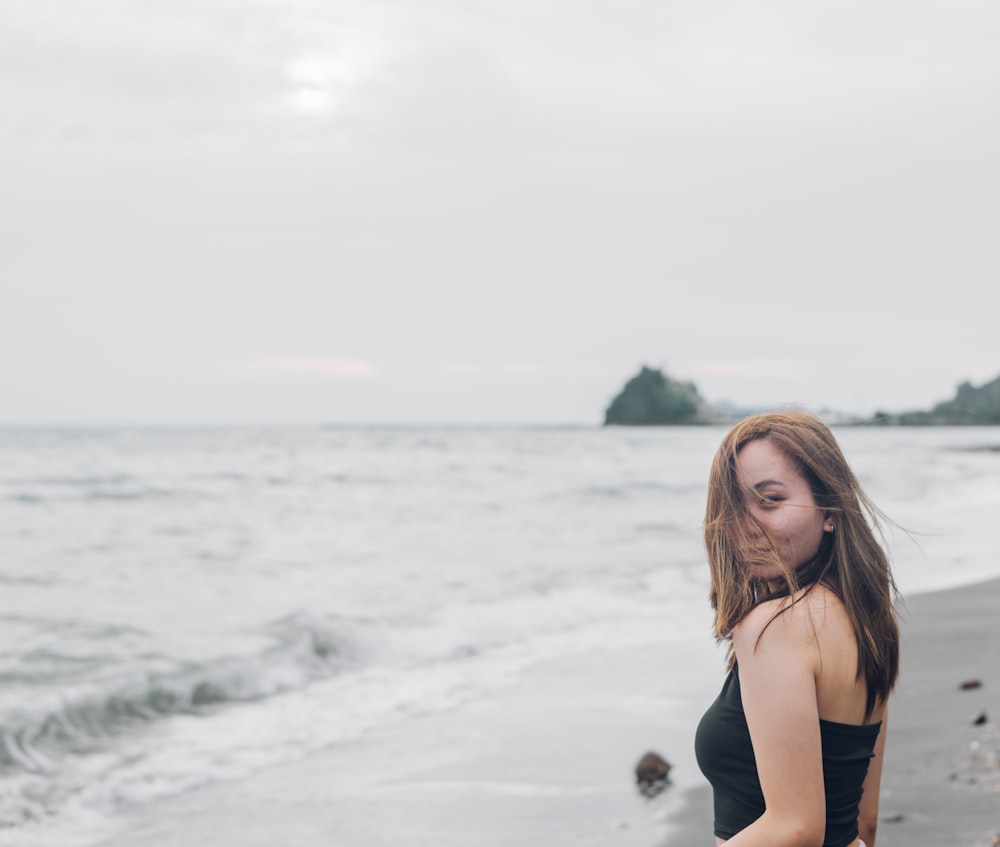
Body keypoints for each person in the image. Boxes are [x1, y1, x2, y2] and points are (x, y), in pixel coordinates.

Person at [694, 411, 899, 847]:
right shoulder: (869, 623)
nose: (745, 525)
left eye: (770, 500)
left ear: (830, 509)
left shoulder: (775, 627)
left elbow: (796, 827)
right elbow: (867, 821)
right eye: (733, 507)